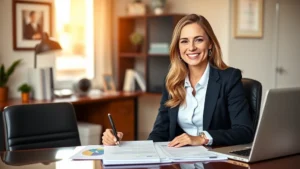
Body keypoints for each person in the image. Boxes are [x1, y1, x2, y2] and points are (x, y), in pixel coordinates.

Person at [102, 14, 254, 147]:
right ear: (178, 48)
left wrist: (202, 139)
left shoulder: (229, 78)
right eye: (184, 41)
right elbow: (160, 132)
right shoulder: (172, 80)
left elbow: (244, 131)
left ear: (210, 45)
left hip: (217, 160)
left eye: (199, 40)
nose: (191, 47)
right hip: (181, 161)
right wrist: (122, 145)